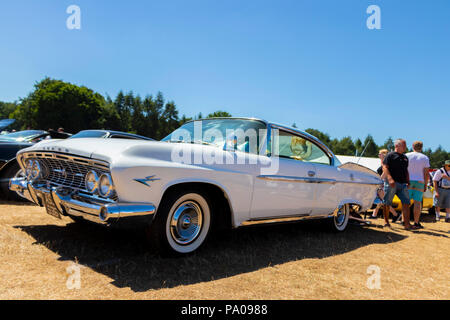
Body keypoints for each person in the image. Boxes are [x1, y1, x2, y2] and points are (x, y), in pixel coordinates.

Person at [382, 139, 415, 230]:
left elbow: (406, 170)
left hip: (402, 184)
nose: (405, 147)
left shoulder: (405, 158)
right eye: (403, 145)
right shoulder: (390, 155)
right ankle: (386, 222)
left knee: (406, 203)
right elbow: (384, 167)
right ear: (397, 146)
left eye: (405, 145)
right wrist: (389, 178)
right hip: (392, 183)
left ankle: (407, 224)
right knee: (387, 202)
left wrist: (408, 180)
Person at [406, 141, 430, 229]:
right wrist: (425, 184)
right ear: (422, 147)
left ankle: (404, 221)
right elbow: (426, 173)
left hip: (408, 180)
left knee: (406, 202)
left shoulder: (407, 155)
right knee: (417, 202)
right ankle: (416, 222)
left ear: (413, 146)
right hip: (419, 181)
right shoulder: (425, 158)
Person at [370, 149, 400, 219]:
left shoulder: (386, 163)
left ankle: (396, 215)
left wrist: (379, 180)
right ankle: (374, 215)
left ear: (384, 155)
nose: (379, 155)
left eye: (380, 154)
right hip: (382, 182)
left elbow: (385, 173)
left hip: (383, 183)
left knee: (383, 200)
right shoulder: (383, 162)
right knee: (380, 200)